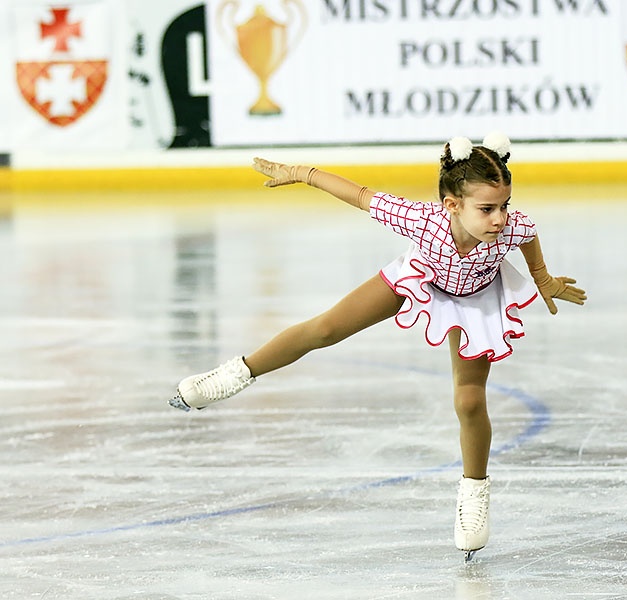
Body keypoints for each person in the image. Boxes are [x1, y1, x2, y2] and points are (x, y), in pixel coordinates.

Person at [169, 132, 586, 560]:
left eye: (504, 206)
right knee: (326, 329)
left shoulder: (510, 225)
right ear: (451, 205)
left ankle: (474, 494)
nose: (499, 219)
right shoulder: (422, 220)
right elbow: (359, 194)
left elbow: (527, 234)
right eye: (487, 209)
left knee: (468, 400)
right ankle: (237, 373)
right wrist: (299, 173)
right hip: (420, 279)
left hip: (478, 302)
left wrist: (543, 278)